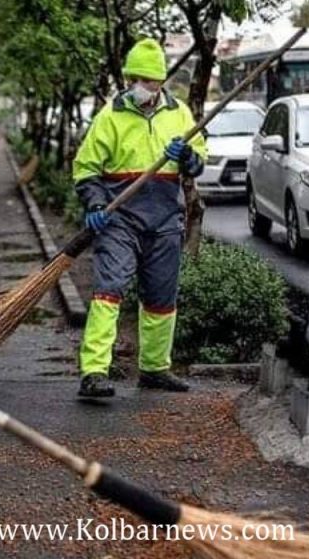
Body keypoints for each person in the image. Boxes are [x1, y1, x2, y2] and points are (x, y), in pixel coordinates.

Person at [72, 38, 207, 399]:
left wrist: (187, 157)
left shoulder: (178, 113)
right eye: (142, 80)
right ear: (129, 78)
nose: (149, 87)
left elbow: (199, 160)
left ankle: (154, 368)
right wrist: (96, 204)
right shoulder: (110, 116)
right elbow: (85, 169)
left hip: (165, 219)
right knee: (109, 289)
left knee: (162, 296)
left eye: (154, 81)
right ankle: (94, 371)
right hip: (120, 219)